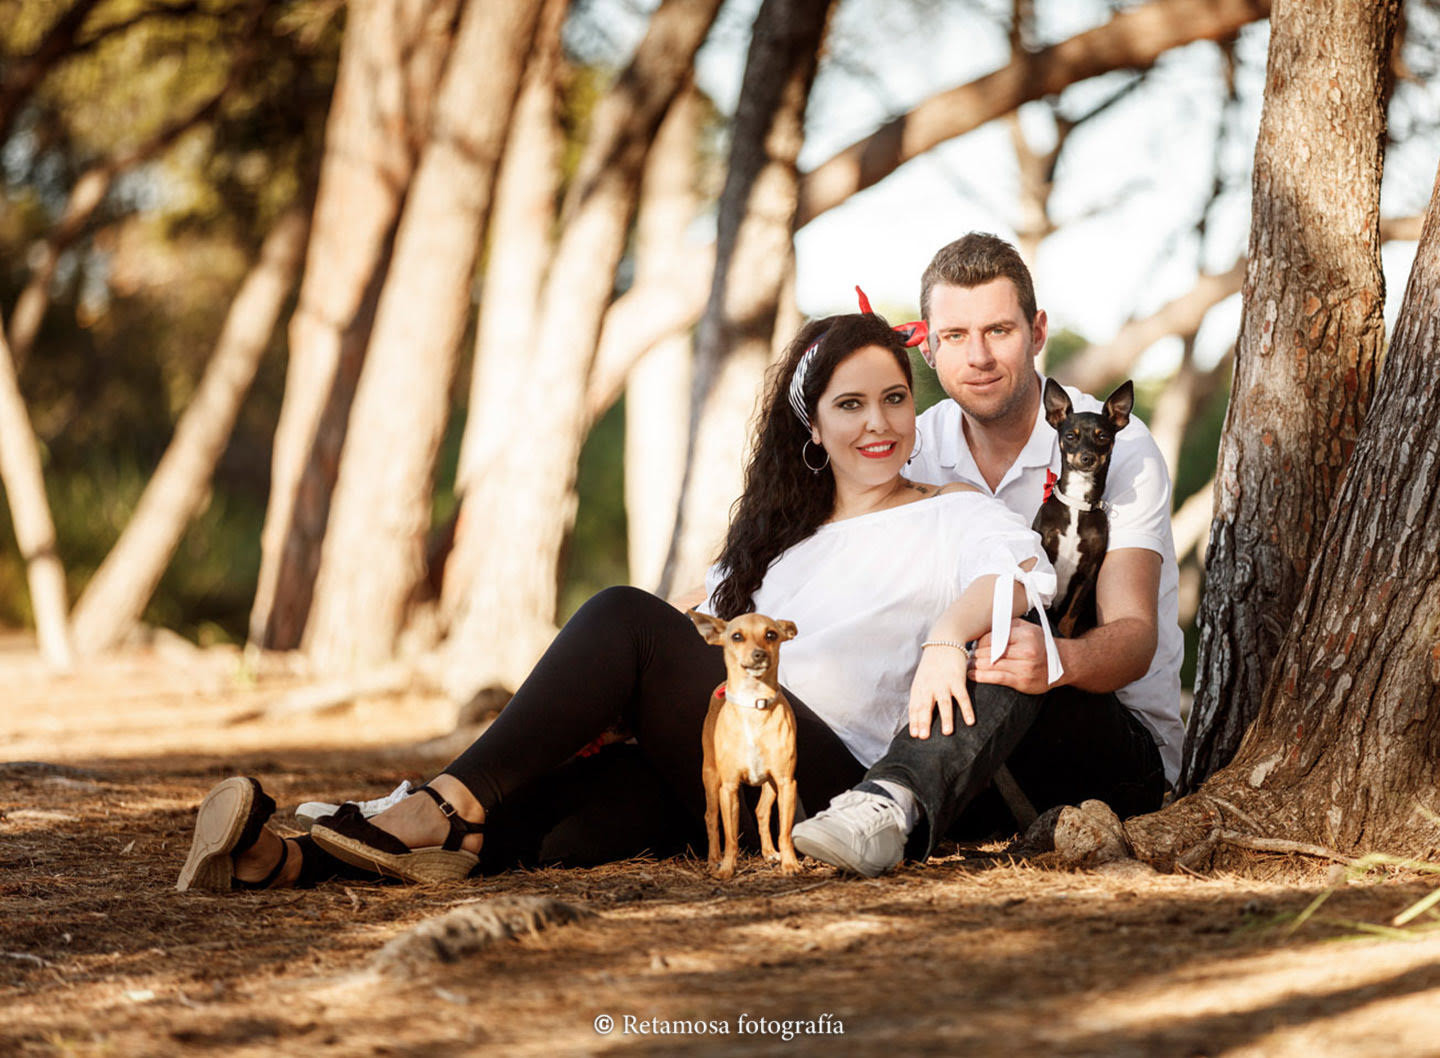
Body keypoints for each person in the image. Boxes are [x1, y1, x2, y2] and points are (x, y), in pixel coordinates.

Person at [176, 308, 1058, 891]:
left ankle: (438, 799)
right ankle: (286, 863)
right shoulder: (779, 545)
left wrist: (949, 635)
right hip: (712, 766)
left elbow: (1025, 574)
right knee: (565, 826)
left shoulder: (950, 514)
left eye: (896, 399)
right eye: (852, 404)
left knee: (623, 618)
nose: (880, 424)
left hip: (823, 780)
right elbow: (695, 632)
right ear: (813, 429)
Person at [791, 233, 1182, 877]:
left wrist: (1057, 660)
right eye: (954, 336)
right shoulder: (916, 442)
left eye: (999, 330)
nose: (978, 357)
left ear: (1037, 332)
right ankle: (871, 802)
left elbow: (1135, 638)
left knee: (1009, 628)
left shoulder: (1111, 442)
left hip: (1104, 748)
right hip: (962, 747)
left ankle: (889, 801)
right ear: (928, 344)